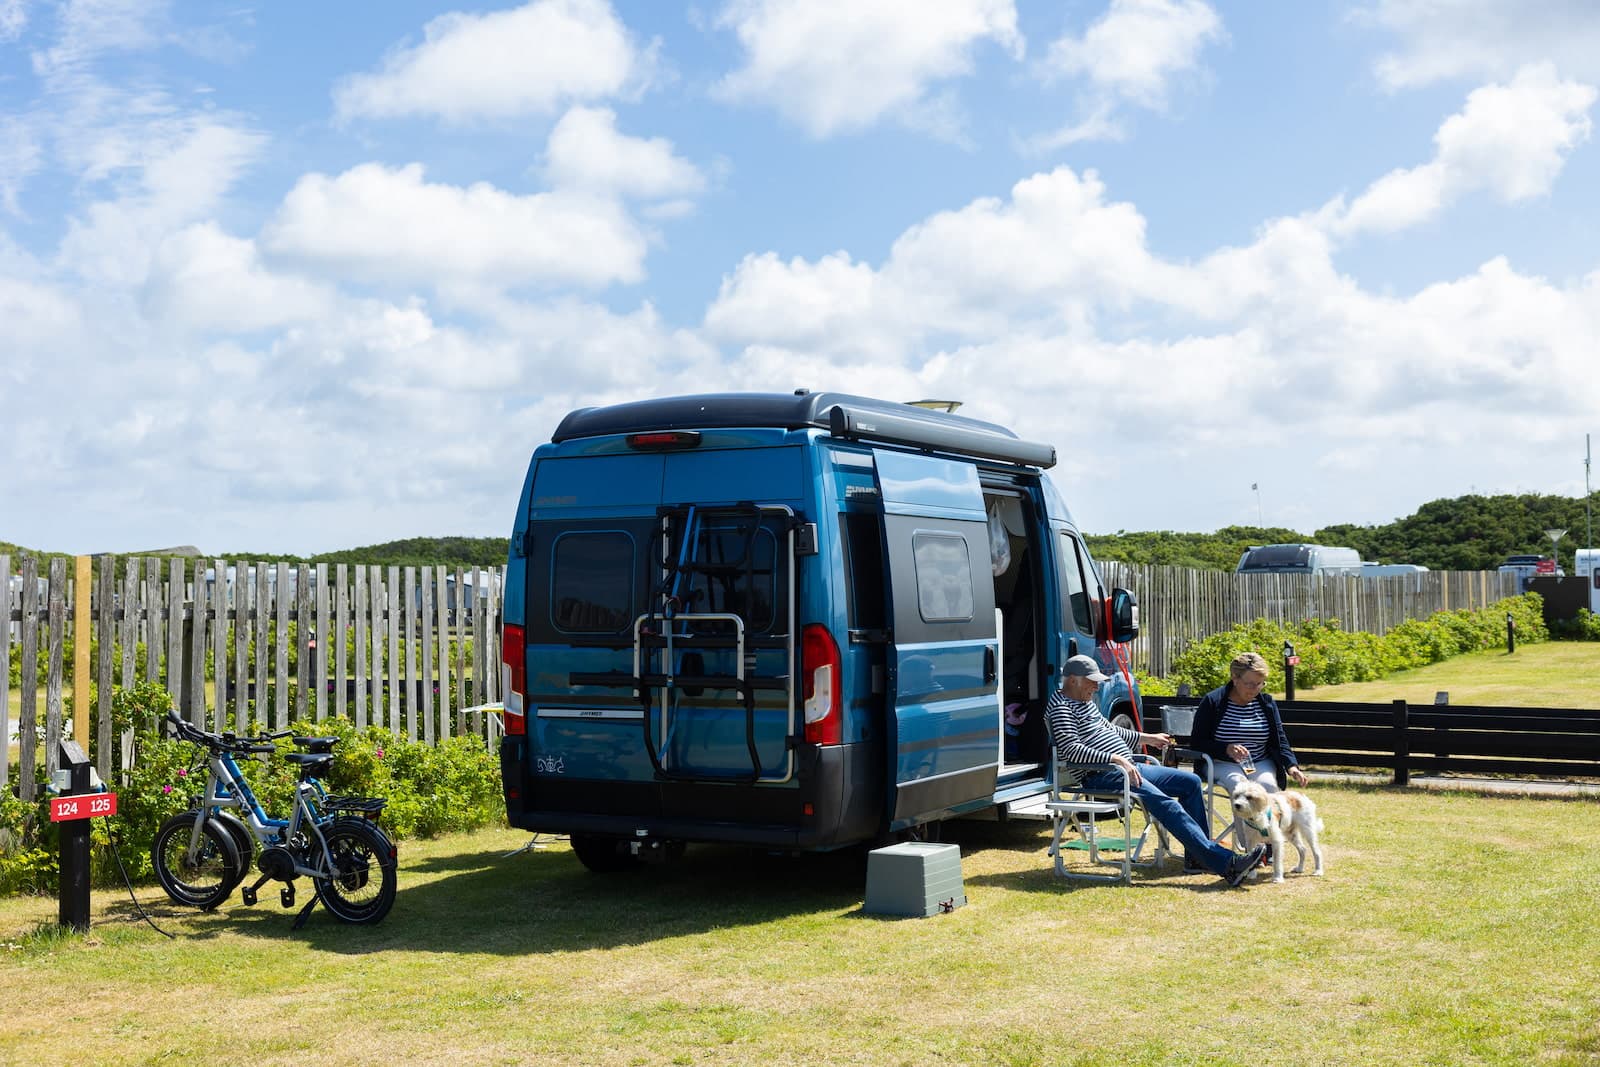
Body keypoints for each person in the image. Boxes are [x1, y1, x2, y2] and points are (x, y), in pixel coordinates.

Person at [1046, 654, 1265, 886]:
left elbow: (1112, 731)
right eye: (1091, 681)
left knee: (1190, 783)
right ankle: (1226, 864)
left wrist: (1146, 738)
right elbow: (1072, 750)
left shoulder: (1085, 703)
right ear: (1072, 680)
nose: (1096, 685)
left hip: (1128, 767)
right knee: (1166, 804)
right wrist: (1117, 759)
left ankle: (1197, 859)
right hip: (1102, 774)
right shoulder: (1061, 708)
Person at [1189, 651, 1309, 792]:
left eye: (1259, 684)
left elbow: (1280, 739)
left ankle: (1265, 815)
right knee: (1240, 787)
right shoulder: (1213, 701)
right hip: (1221, 762)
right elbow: (1197, 742)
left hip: (1259, 762)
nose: (1254, 689)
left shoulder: (1267, 703)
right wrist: (1226, 748)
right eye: (1249, 684)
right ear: (1235, 678)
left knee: (1269, 788)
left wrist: (1291, 766)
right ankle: (1244, 815)